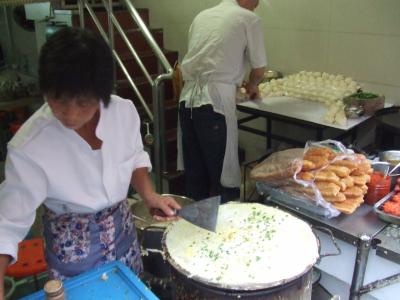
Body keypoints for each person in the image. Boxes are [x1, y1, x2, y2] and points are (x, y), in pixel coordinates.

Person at [0, 27, 180, 297]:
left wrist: (149, 194)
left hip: (124, 236)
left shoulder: (123, 112)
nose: (71, 114)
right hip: (72, 253)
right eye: (59, 101)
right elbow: (8, 222)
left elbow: (133, 158)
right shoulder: (30, 146)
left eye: (83, 102)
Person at [178, 0, 267, 203]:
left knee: (195, 177)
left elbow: (209, 60)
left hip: (188, 101)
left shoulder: (202, 16)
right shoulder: (249, 19)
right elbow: (259, 69)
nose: (258, 4)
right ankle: (227, 230)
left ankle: (194, 231)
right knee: (223, 180)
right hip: (213, 106)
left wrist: (231, 80)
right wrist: (252, 87)